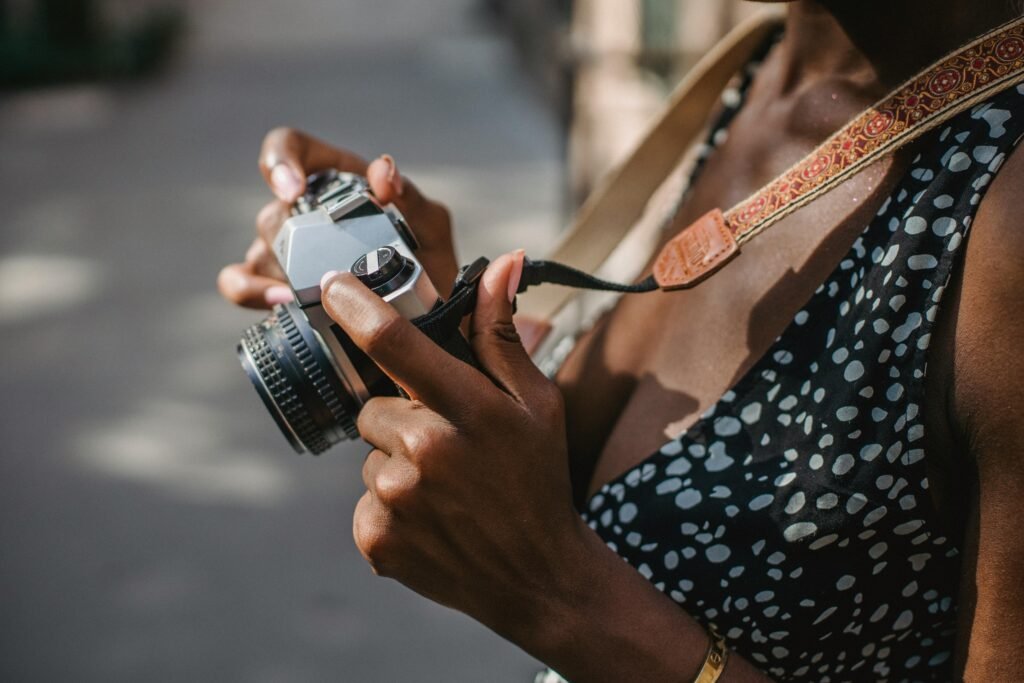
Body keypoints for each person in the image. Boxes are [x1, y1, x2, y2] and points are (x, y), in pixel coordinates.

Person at [218, 1, 1024, 680]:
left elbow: (568, 572)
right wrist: (429, 322)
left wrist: (560, 595)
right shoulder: (769, 67)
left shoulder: (1007, 213)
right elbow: (620, 488)